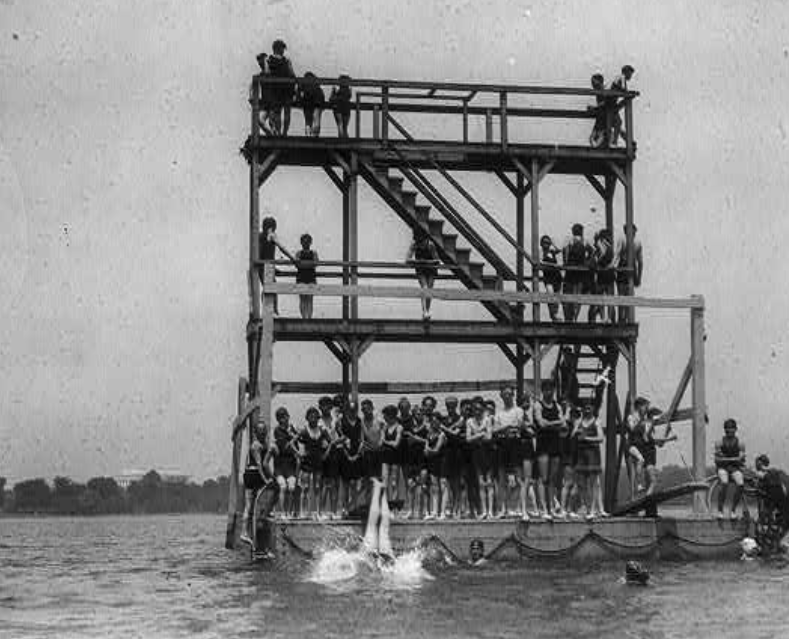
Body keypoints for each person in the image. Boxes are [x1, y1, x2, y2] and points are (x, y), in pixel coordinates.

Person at [240, 417, 276, 547]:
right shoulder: (256, 445)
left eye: (264, 431)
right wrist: (265, 478)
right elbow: (260, 464)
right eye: (260, 431)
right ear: (255, 432)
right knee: (250, 505)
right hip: (254, 474)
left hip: (253, 474)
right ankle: (244, 532)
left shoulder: (263, 444)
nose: (263, 433)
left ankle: (254, 530)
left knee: (253, 505)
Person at [493, 386, 524, 518]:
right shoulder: (499, 414)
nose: (507, 397)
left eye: (510, 394)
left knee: (518, 478)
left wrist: (504, 428)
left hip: (515, 444)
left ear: (513, 395)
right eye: (505, 395)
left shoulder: (519, 410)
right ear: (501, 396)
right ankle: (503, 509)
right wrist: (506, 427)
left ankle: (518, 508)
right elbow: (494, 430)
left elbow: (518, 426)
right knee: (502, 479)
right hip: (503, 445)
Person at [534, 381, 563, 520]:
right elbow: (540, 423)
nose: (549, 392)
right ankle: (542, 508)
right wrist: (555, 424)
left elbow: (563, 422)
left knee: (552, 478)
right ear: (542, 391)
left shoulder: (557, 405)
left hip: (555, 444)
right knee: (543, 478)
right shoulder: (537, 405)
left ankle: (551, 507)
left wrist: (549, 424)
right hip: (543, 444)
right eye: (546, 390)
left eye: (551, 389)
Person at [297, 406, 331, 519]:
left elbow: (331, 442)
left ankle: (317, 512)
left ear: (318, 418)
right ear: (307, 418)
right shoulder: (304, 430)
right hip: (307, 462)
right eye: (311, 416)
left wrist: (326, 454)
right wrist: (299, 453)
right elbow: (294, 442)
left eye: (315, 416)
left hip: (318, 461)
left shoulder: (322, 430)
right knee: (305, 487)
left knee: (317, 487)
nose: (313, 419)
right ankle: (303, 511)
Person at [576, 402, 607, 520]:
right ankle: (589, 507)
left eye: (589, 408)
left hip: (593, 455)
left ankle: (593, 510)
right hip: (581, 455)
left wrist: (586, 438)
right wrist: (577, 432)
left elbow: (600, 438)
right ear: (583, 410)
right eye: (585, 409)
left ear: (593, 409)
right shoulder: (579, 421)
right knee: (582, 483)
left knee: (594, 483)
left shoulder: (597, 422)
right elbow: (573, 434)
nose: (587, 411)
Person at [467, 398, 495, 519]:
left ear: (483, 409)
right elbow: (468, 439)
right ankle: (483, 510)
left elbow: (489, 437)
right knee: (480, 483)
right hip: (476, 453)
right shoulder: (469, 421)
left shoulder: (487, 419)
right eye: (475, 409)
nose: (477, 411)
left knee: (489, 482)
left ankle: (490, 511)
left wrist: (475, 435)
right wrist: (481, 433)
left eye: (479, 409)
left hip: (487, 452)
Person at [714, 418, 746, 520]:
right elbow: (717, 459)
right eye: (727, 429)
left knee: (740, 484)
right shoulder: (719, 442)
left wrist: (727, 459)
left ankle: (733, 510)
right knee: (724, 482)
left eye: (732, 429)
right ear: (725, 430)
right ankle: (720, 510)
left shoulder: (740, 443)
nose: (730, 431)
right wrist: (734, 459)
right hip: (723, 467)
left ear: (735, 429)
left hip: (734, 468)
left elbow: (741, 458)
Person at [271, 407, 300, 518]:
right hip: (280, 466)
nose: (285, 419)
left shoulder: (292, 428)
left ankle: (289, 512)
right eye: (281, 418)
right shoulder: (277, 430)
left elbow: (300, 439)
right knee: (283, 486)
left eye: (286, 416)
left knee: (292, 487)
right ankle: (282, 513)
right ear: (278, 419)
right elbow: (285, 447)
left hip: (291, 465)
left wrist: (296, 435)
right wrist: (294, 437)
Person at [439, 396, 465, 518]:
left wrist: (445, 429)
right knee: (444, 482)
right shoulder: (444, 419)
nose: (450, 407)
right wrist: (451, 428)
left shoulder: (460, 418)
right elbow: (443, 436)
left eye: (452, 405)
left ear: (456, 405)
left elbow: (455, 434)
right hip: (446, 453)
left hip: (457, 453)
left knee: (456, 483)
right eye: (448, 405)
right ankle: (447, 509)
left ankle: (457, 509)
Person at [562, 223, 592, 322]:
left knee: (568, 293)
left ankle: (569, 317)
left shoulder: (569, 240)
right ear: (581, 231)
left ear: (573, 231)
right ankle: (575, 316)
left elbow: (565, 252)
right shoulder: (585, 241)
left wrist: (565, 263)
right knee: (578, 295)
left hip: (570, 271)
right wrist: (588, 261)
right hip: (581, 271)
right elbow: (593, 251)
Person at [339, 401, 365, 517]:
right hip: (345, 456)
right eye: (350, 409)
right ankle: (344, 508)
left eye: (354, 409)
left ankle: (353, 507)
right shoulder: (342, 422)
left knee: (355, 484)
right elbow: (341, 440)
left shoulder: (360, 422)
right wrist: (347, 455)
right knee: (345, 484)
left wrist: (357, 455)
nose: (352, 411)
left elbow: (362, 440)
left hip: (357, 455)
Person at [406, 231, 440, 320]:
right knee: (424, 288)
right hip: (420, 268)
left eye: (422, 243)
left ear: (425, 240)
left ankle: (427, 311)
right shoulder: (414, 244)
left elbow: (437, 260)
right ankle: (425, 312)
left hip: (431, 268)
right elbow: (407, 259)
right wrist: (417, 261)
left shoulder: (431, 245)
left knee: (429, 289)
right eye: (419, 243)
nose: (420, 245)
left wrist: (426, 262)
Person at [266, 39, 296, 136]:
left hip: (275, 90)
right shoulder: (286, 60)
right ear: (280, 48)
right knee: (287, 112)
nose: (283, 50)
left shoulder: (269, 60)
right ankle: (284, 133)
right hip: (287, 89)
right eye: (283, 48)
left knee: (277, 112)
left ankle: (279, 133)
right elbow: (292, 74)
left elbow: (267, 73)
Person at [615, 223, 643, 322]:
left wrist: (639, 277)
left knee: (625, 294)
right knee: (625, 294)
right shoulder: (625, 240)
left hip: (627, 267)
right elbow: (617, 255)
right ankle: (623, 318)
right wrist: (639, 277)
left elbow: (640, 262)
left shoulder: (635, 242)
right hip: (626, 267)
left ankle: (624, 318)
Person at [423, 413, 447, 520]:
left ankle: (442, 512)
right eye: (432, 421)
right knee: (434, 487)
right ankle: (434, 511)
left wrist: (429, 451)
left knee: (443, 485)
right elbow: (425, 449)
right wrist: (428, 451)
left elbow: (436, 450)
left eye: (436, 421)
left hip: (442, 461)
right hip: (432, 462)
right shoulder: (429, 434)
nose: (434, 423)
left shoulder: (442, 434)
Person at [589, 229, 615, 323]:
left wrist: (598, 263)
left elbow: (598, 257)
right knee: (609, 297)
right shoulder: (609, 246)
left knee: (601, 297)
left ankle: (603, 318)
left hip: (602, 274)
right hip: (608, 273)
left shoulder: (602, 245)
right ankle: (607, 318)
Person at [380, 404, 403, 511]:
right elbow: (382, 442)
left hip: (395, 457)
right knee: (384, 482)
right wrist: (388, 442)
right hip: (385, 457)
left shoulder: (399, 427)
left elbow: (396, 444)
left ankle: (393, 505)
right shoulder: (385, 427)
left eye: (385, 415)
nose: (384, 417)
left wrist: (385, 441)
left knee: (394, 482)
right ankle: (385, 505)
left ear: (391, 415)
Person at [609, 65, 635, 147]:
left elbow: (624, 90)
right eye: (630, 74)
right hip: (610, 103)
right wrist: (630, 94)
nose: (630, 76)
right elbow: (624, 90)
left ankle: (616, 141)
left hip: (612, 102)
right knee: (618, 122)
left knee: (617, 122)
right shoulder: (621, 77)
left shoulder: (620, 78)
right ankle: (614, 141)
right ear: (626, 72)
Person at [295, 233, 318, 319]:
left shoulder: (314, 253)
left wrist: (303, 265)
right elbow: (297, 264)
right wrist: (309, 265)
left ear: (310, 243)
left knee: (310, 299)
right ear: (301, 243)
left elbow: (316, 263)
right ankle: (304, 317)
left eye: (308, 242)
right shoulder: (298, 253)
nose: (306, 243)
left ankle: (309, 317)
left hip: (310, 278)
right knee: (302, 299)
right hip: (301, 278)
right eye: (304, 242)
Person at [540, 235, 562, 321]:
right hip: (548, 277)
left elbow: (559, 250)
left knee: (557, 297)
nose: (547, 244)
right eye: (545, 242)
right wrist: (554, 265)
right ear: (541, 244)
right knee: (550, 294)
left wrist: (553, 243)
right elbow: (540, 262)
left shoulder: (552, 251)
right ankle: (552, 314)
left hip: (557, 277)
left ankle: (555, 315)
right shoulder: (541, 252)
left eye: (548, 243)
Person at [252, 53, 274, 136]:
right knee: (260, 120)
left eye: (262, 62)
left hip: (273, 102)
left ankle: (273, 136)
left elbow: (267, 72)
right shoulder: (261, 74)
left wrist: (266, 61)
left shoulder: (271, 73)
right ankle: (272, 136)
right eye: (259, 63)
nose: (260, 64)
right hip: (266, 103)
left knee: (272, 122)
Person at [297, 72, 325, 136]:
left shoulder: (305, 84)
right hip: (312, 103)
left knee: (309, 122)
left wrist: (299, 100)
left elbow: (298, 94)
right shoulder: (316, 87)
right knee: (314, 121)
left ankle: (310, 136)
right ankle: (313, 137)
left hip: (310, 103)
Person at [587, 73, 607, 148]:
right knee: (593, 138)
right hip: (601, 116)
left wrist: (594, 108)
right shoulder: (599, 92)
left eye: (594, 82)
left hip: (603, 116)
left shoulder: (603, 91)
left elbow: (605, 103)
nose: (592, 84)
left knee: (595, 137)